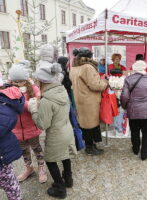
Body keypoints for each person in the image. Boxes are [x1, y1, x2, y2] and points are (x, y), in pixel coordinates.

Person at [28, 44, 77, 199]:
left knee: (50, 159)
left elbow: (42, 124)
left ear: (43, 81)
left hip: (56, 134)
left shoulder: (47, 100)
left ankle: (60, 188)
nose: (36, 84)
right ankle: (68, 178)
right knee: (64, 155)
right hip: (67, 130)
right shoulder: (61, 90)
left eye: (38, 81)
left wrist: (33, 109)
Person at [8, 63, 48, 184]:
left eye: (20, 81)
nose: (18, 84)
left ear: (26, 80)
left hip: (31, 127)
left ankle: (41, 167)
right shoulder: (8, 90)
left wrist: (21, 101)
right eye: (15, 81)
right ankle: (29, 168)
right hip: (17, 129)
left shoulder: (33, 89)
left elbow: (37, 102)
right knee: (24, 151)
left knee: (37, 148)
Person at [70, 47, 108, 155]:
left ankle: (90, 145)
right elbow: (95, 85)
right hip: (89, 100)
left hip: (80, 99)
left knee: (85, 123)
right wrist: (104, 83)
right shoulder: (87, 67)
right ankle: (90, 147)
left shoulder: (74, 67)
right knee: (91, 124)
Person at [120, 60, 147, 160]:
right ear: (144, 68)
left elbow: (124, 96)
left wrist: (124, 106)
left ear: (134, 68)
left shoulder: (128, 79)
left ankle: (135, 149)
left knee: (134, 131)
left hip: (133, 110)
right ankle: (145, 154)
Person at [0, 74, 24, 200]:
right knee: (11, 184)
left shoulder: (4, 104)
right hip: (6, 151)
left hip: (3, 156)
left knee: (10, 184)